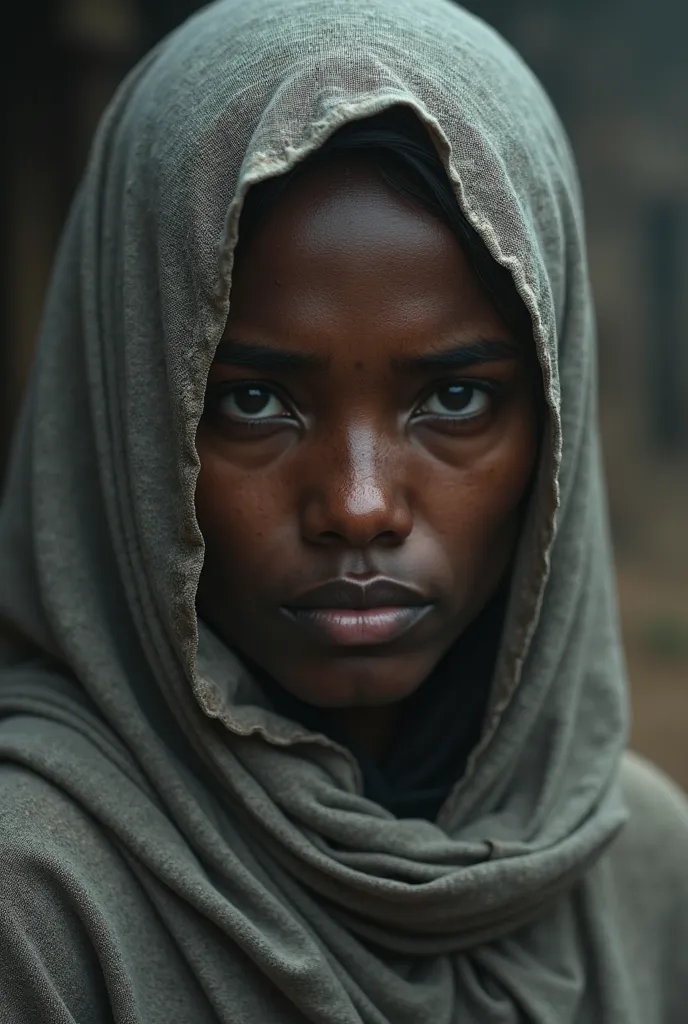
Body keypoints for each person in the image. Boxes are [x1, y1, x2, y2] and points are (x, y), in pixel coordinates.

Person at [0, 0, 686, 1020]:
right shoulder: (40, 905)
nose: (358, 506)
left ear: (551, 425)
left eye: (454, 398)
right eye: (251, 400)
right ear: (133, 423)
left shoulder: (642, 863)